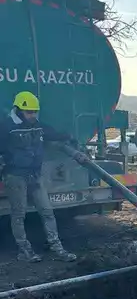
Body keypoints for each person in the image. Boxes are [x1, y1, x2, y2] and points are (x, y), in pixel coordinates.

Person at [0, 91, 77, 263]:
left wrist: (68, 136)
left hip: (35, 176)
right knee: (19, 214)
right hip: (15, 177)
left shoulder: (37, 125)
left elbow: (52, 134)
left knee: (47, 211)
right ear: (18, 110)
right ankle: (24, 250)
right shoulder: (6, 128)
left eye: (35, 112)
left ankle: (56, 246)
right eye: (29, 112)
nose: (33, 115)